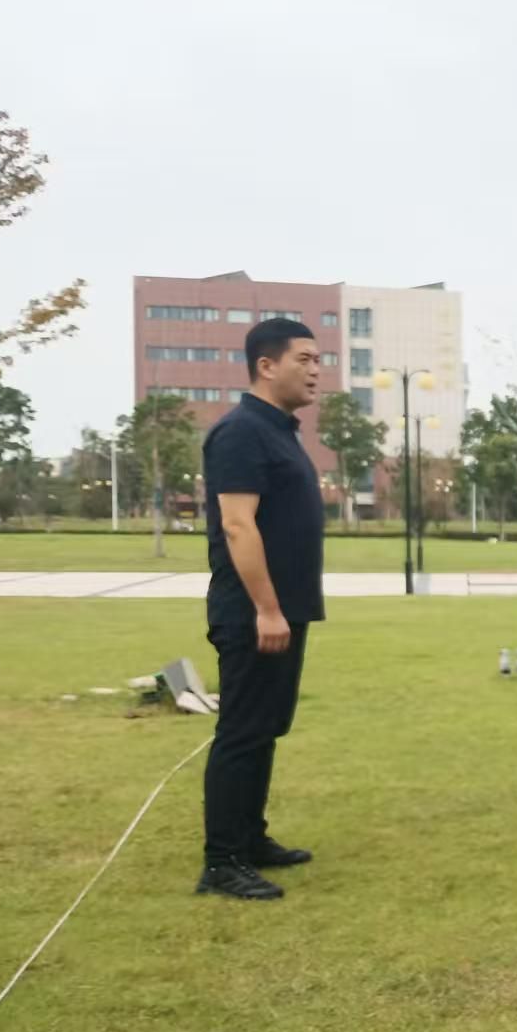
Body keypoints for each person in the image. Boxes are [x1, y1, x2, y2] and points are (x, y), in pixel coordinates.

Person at [196, 318, 327, 901]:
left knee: (266, 728)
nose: (316, 370)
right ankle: (222, 862)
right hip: (254, 612)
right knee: (243, 732)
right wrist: (267, 610)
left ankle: (249, 839)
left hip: (283, 609)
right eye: (304, 359)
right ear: (266, 366)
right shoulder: (241, 432)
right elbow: (237, 525)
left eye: (318, 360)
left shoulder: (279, 431)